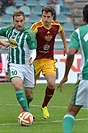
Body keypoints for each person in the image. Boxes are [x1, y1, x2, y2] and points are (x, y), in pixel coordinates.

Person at [0, 10, 37, 115]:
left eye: (21, 21)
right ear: (13, 21)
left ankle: (25, 105)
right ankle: (27, 112)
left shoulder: (30, 34)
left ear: (24, 20)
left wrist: (32, 58)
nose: (19, 23)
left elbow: (33, 51)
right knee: (17, 85)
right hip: (14, 65)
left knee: (29, 95)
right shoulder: (8, 30)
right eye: (17, 21)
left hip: (28, 65)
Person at [31, 5, 69, 119]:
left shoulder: (56, 25)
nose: (46, 19)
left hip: (48, 60)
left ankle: (44, 106)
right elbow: (29, 38)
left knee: (52, 84)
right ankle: (25, 110)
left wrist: (65, 46)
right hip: (35, 60)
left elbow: (62, 32)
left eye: (48, 17)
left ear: (52, 16)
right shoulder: (36, 27)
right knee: (30, 89)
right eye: (44, 16)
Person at [57, 4, 88, 133]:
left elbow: (70, 53)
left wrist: (65, 76)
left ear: (83, 18)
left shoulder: (79, 32)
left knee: (71, 112)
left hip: (86, 79)